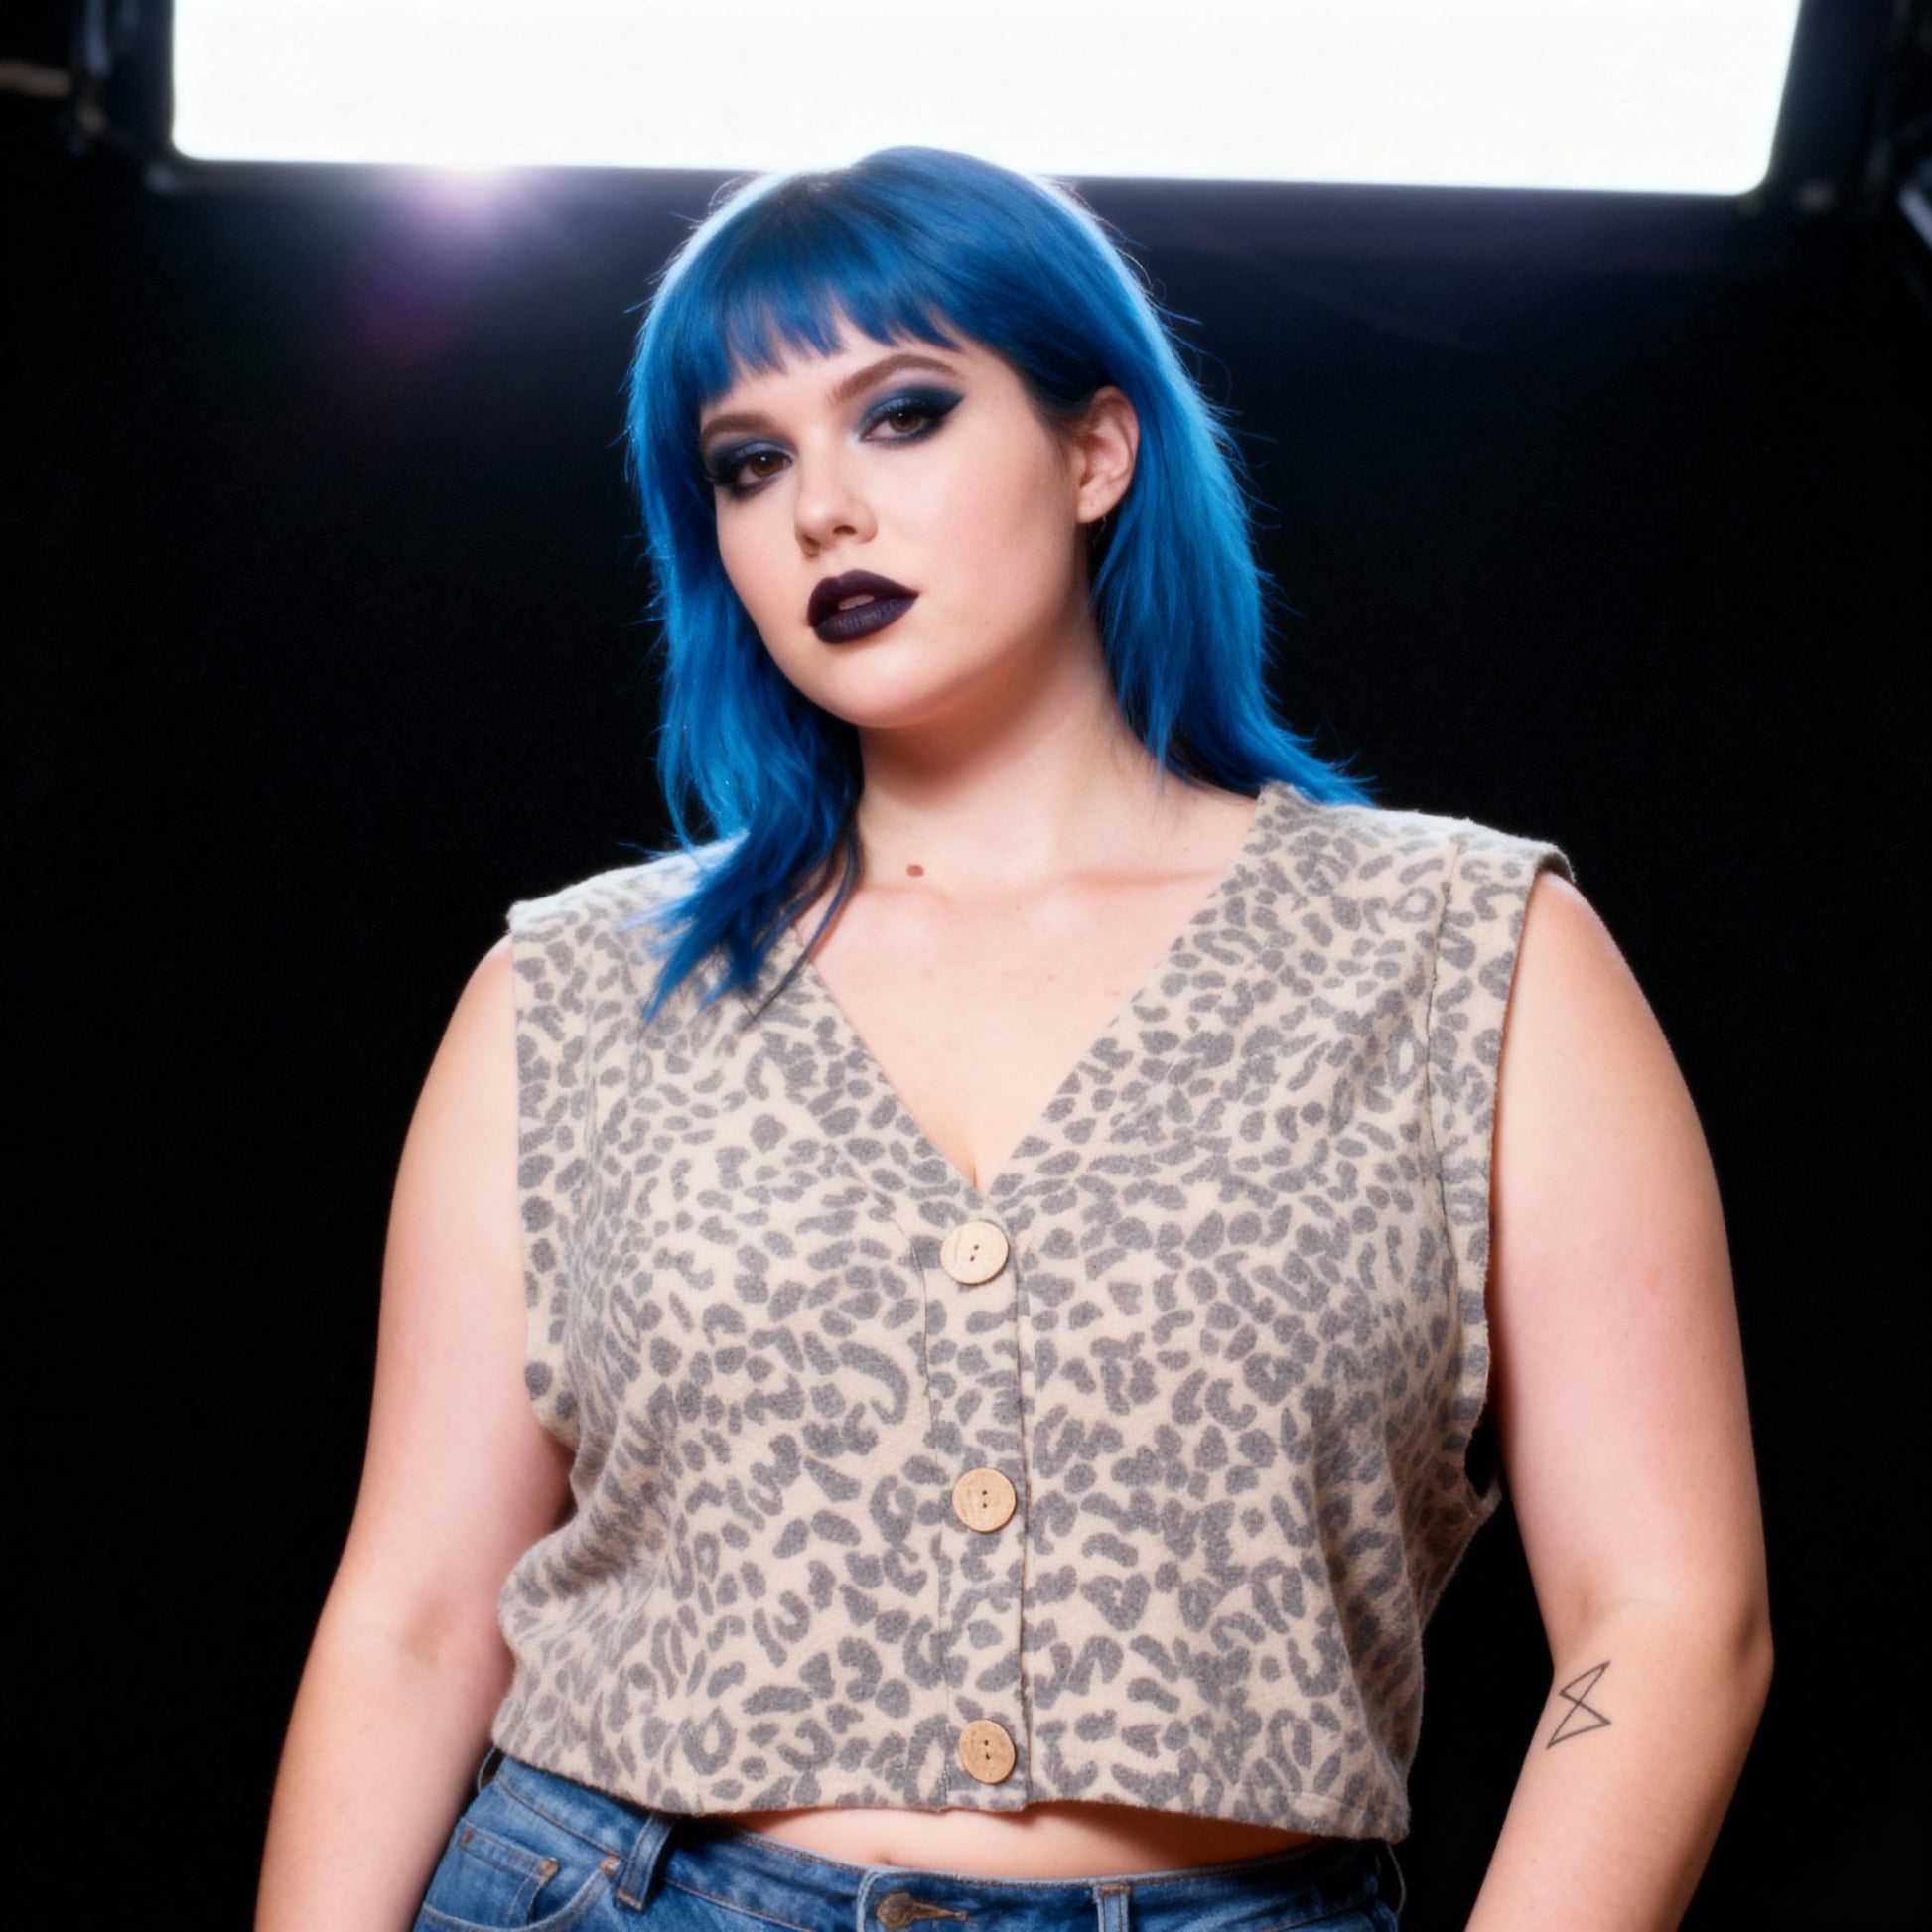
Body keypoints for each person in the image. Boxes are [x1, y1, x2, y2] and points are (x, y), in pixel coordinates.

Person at [256, 148, 1770, 1932]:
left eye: (900, 414)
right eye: (748, 463)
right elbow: (417, 1617)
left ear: (1095, 448)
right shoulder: (573, 989)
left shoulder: (1465, 951)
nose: (820, 511)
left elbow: (1670, 1615)